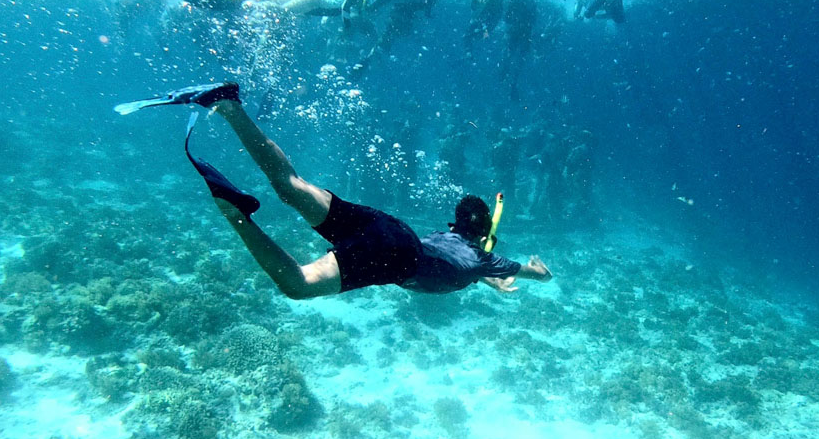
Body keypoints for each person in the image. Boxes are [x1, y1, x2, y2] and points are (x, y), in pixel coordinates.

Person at [117, 83, 552, 298]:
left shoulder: (454, 242)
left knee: (291, 185)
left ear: (454, 223)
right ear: (481, 235)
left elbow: (467, 260)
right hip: (397, 258)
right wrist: (535, 271)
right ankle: (237, 215)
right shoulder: (485, 258)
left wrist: (491, 278)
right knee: (298, 284)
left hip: (391, 228)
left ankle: (228, 104)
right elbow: (525, 272)